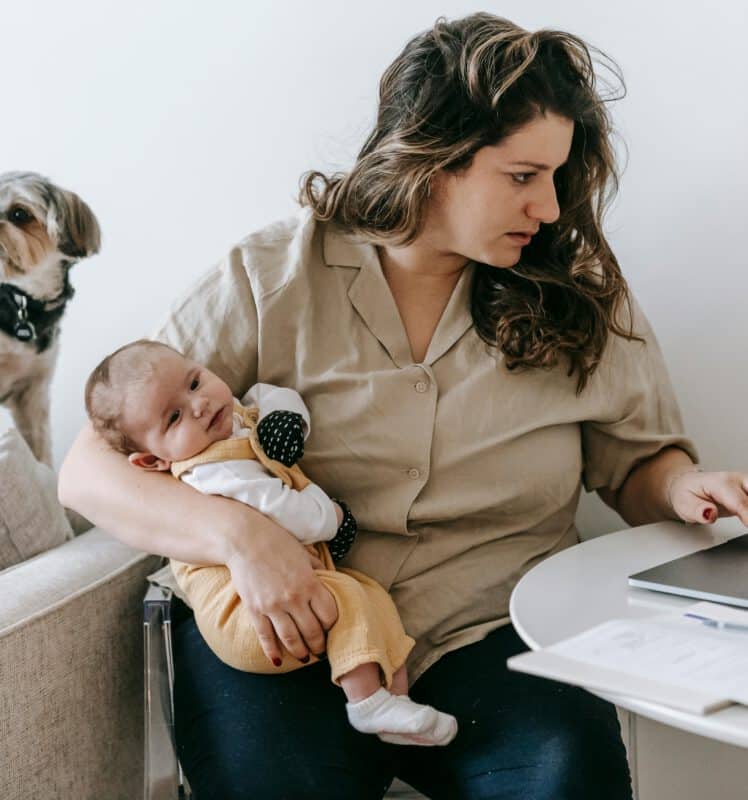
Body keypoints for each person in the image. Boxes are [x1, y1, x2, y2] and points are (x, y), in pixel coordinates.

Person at [59, 12, 748, 800]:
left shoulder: (578, 290)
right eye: (522, 177)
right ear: (432, 158)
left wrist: (678, 488)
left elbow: (636, 462)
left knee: (570, 778)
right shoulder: (271, 275)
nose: (552, 208)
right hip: (291, 630)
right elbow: (88, 471)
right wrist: (243, 535)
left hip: (494, 634)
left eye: (556, 177)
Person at [83, 339, 457, 746]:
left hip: (288, 589)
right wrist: (331, 518)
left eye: (194, 382)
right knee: (351, 599)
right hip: (247, 617)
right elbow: (285, 511)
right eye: (174, 417)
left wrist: (286, 419)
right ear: (153, 461)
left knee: (372, 597)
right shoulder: (210, 471)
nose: (200, 405)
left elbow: (267, 394)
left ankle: (394, 703)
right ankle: (365, 702)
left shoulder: (233, 418)